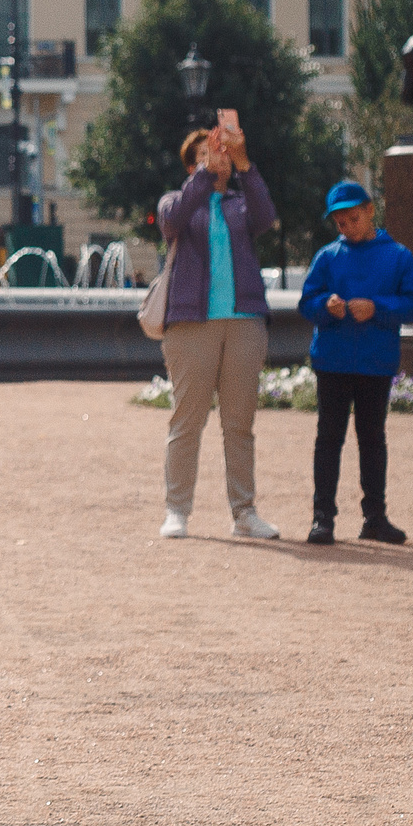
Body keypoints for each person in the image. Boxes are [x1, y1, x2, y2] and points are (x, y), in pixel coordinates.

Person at [155, 120, 281, 541]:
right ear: (192, 166)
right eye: (206, 156)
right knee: (187, 421)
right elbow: (173, 222)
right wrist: (205, 176)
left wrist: (245, 163)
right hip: (191, 323)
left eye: (220, 154)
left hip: (244, 321)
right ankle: (177, 510)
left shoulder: (242, 204)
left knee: (239, 423)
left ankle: (244, 512)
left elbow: (267, 218)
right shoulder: (177, 201)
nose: (217, 161)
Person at [300, 180, 413, 546]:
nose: (348, 228)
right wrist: (325, 306)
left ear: (370, 210)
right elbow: (306, 302)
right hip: (333, 362)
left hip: (375, 362)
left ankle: (375, 517)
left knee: (372, 440)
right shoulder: (327, 257)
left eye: (353, 219)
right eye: (340, 223)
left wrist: (378, 308)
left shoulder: (399, 255)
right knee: (329, 440)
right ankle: (322, 519)